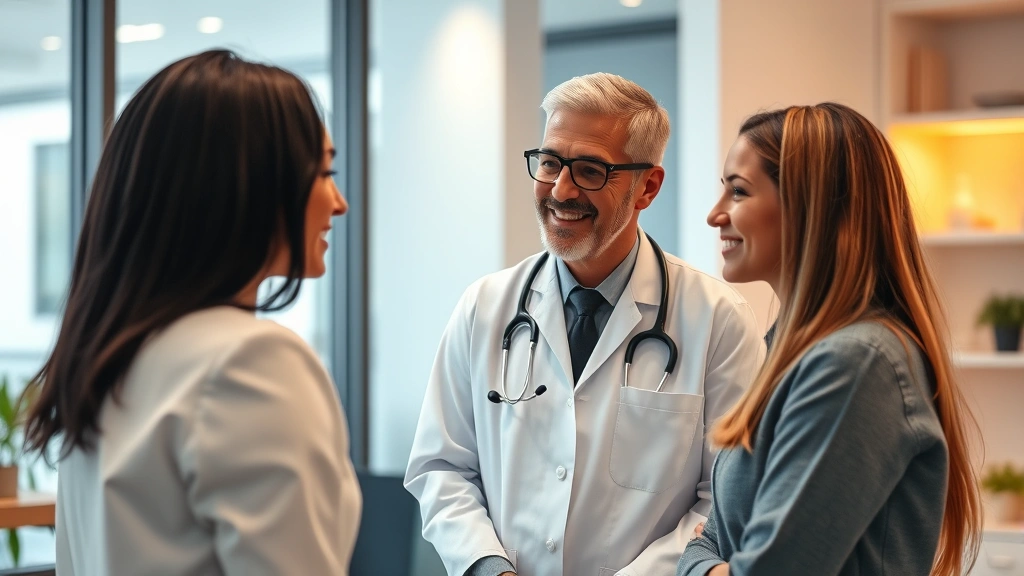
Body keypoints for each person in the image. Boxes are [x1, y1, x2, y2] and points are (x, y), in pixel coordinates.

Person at [405, 72, 764, 576]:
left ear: (648, 187)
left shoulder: (719, 321)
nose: (560, 189)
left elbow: (723, 501)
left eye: (591, 170)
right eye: (550, 162)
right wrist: (488, 566)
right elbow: (442, 469)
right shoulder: (484, 307)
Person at [23, 50, 362, 575]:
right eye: (323, 172)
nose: (338, 202)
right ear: (248, 184)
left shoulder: (108, 359)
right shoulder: (250, 362)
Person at [677, 102, 982, 576]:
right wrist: (706, 557)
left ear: (809, 208)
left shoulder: (857, 364)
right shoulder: (792, 354)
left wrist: (696, 563)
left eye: (739, 192)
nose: (716, 215)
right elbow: (715, 537)